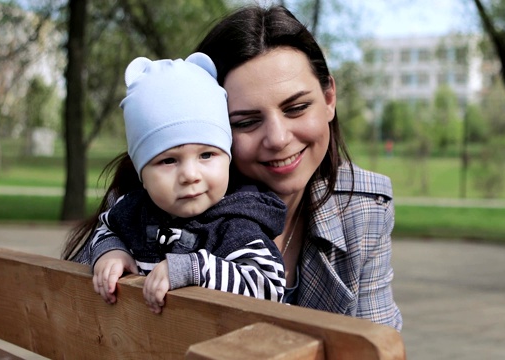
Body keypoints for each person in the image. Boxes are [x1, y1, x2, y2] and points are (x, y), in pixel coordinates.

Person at [62, 4, 403, 331]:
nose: (279, 138)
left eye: (296, 107)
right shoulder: (157, 201)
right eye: (246, 122)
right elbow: (86, 324)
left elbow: (376, 342)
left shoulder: (363, 208)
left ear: (329, 98)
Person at [88, 53, 287, 313]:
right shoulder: (132, 210)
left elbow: (269, 287)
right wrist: (110, 251)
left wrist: (193, 269)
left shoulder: (236, 226)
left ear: (227, 159)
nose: (190, 175)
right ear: (141, 173)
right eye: (169, 160)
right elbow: (106, 227)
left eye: (207, 155)